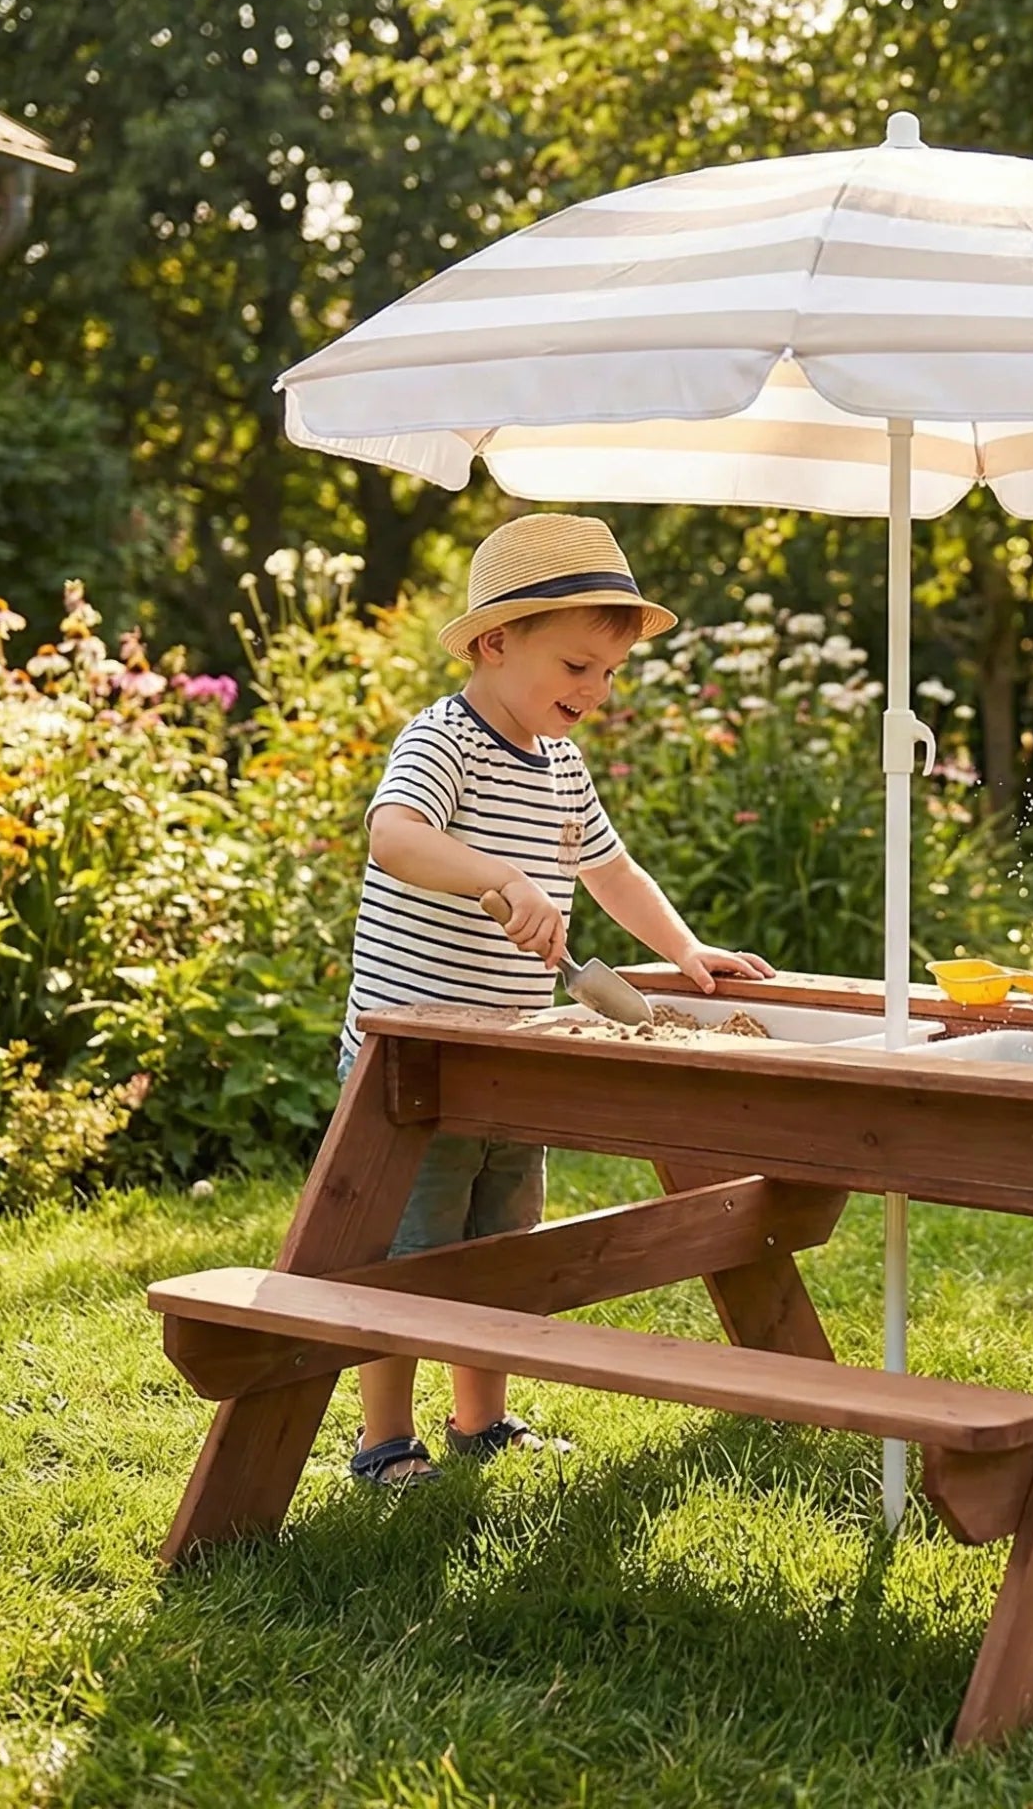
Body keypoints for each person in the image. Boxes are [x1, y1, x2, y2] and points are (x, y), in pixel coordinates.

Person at [340, 512, 774, 1489]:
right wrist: (499, 875)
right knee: (412, 1249)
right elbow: (394, 836)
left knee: (501, 1243)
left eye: (608, 673)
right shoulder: (442, 739)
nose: (595, 690)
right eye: (577, 665)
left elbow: (612, 871)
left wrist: (685, 948)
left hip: (511, 1055)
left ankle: (480, 1421)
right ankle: (382, 1443)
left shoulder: (561, 767)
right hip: (415, 1061)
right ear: (495, 642)